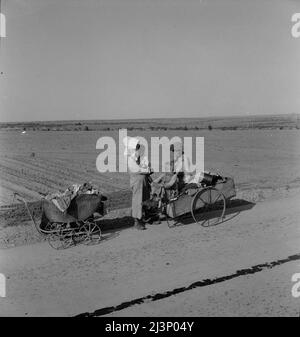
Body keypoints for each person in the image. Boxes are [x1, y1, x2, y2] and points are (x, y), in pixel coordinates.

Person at [124, 137, 152, 230]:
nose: (138, 148)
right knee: (137, 202)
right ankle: (137, 221)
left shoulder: (139, 156)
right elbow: (138, 170)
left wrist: (147, 169)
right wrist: (148, 170)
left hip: (143, 182)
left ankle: (146, 218)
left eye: (138, 146)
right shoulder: (130, 159)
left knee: (146, 199)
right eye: (136, 147)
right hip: (137, 183)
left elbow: (146, 165)